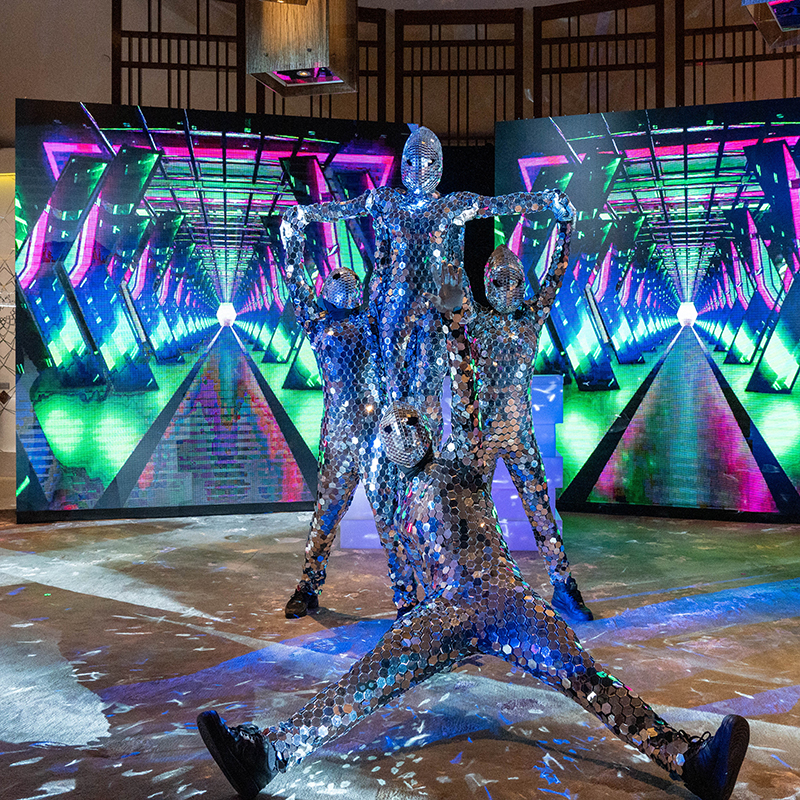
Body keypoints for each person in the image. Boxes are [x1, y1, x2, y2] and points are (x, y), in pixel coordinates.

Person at [197, 254, 750, 800]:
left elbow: (464, 388)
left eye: (410, 425)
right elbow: (402, 570)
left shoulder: (461, 462)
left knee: (590, 678)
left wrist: (455, 316)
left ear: (427, 431)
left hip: (514, 604)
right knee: (364, 681)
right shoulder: (397, 500)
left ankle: (689, 759)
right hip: (447, 615)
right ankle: (266, 755)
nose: (403, 435)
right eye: (393, 433)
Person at [282, 125, 574, 438]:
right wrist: (302, 215)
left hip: (438, 312)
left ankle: (425, 463)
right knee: (393, 392)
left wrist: (546, 201)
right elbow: (340, 210)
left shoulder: (452, 206)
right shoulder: (385, 201)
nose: (420, 170)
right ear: (404, 163)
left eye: (428, 163)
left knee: (428, 391)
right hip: (395, 311)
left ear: (440, 165)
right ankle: (397, 462)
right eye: (413, 162)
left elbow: (503, 203)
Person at [278, 218, 417, 618]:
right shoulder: (321, 327)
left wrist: (388, 231)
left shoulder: (370, 324)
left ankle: (406, 597)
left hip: (375, 440)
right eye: (339, 283)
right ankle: (308, 587)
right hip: (339, 440)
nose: (345, 285)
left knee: (390, 521)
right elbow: (297, 288)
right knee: (325, 521)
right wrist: (293, 244)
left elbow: (384, 277)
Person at [465, 236, 593, 620]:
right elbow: (447, 276)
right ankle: (468, 593)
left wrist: (565, 227)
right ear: (487, 284)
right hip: (482, 437)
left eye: (514, 281)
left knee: (542, 514)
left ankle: (563, 588)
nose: (508, 289)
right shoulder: (475, 320)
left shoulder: (530, 318)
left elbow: (555, 273)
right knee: (471, 517)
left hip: (520, 437)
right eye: (500, 281)